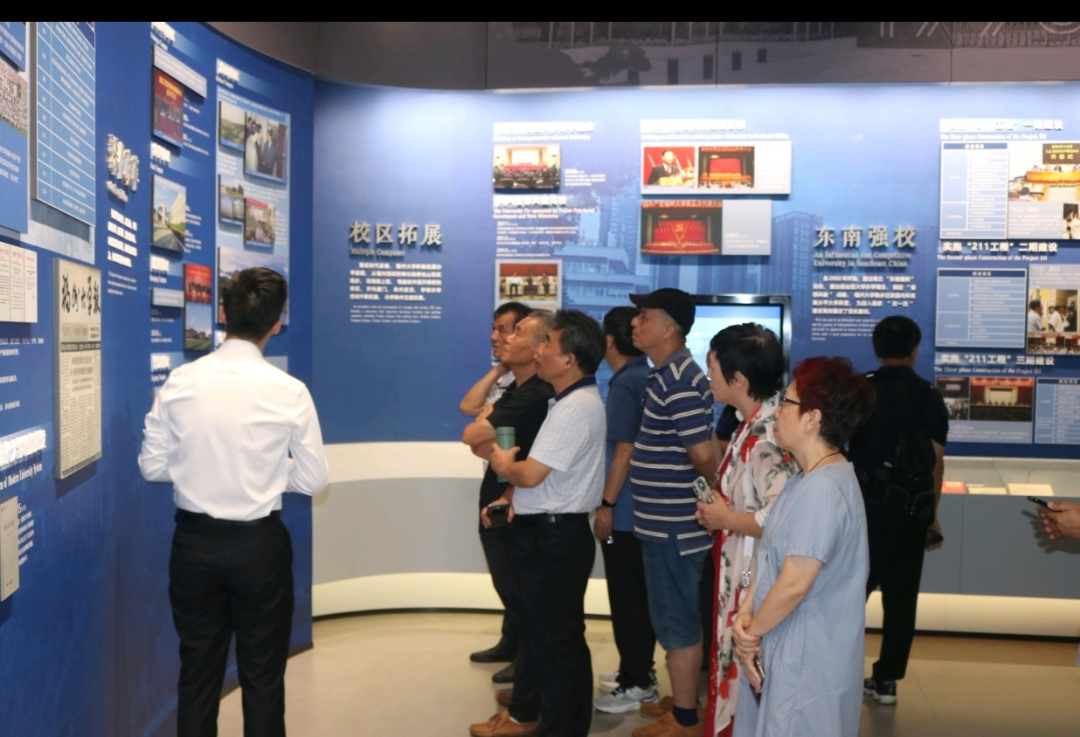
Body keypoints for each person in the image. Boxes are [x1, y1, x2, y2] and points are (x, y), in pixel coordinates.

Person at [138, 267, 329, 737]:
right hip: (259, 548)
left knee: (198, 672)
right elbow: (313, 479)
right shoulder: (289, 391)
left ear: (222, 313)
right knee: (263, 678)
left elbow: (152, 466)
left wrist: (200, 467)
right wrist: (267, 473)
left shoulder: (180, 381)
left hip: (194, 545)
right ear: (277, 323)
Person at [470, 309, 607, 737]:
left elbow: (529, 473)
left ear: (569, 359)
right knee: (553, 643)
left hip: (554, 537)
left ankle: (561, 727)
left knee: (556, 647)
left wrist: (501, 462)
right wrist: (510, 493)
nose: (540, 350)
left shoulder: (572, 408)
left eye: (548, 343)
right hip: (552, 531)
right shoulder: (567, 401)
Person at [732, 357, 875, 737]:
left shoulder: (824, 488)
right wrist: (747, 612)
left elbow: (795, 583)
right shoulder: (804, 478)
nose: (777, 411)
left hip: (807, 656)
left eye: (787, 402)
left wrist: (751, 634)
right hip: (783, 640)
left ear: (813, 419)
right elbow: (772, 558)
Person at [694, 324, 794, 737]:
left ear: (738, 378)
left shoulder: (768, 434)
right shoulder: (749, 423)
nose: (708, 376)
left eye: (713, 367)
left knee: (747, 677)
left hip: (753, 577)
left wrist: (725, 519)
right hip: (738, 569)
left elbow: (781, 518)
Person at [627, 288, 717, 737]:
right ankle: (684, 699)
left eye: (643, 316)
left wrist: (716, 490)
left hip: (673, 527)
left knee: (676, 620)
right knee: (675, 614)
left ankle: (684, 718)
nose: (634, 322)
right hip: (666, 523)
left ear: (668, 328)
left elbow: (701, 454)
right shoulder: (667, 373)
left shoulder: (677, 377)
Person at [849, 316, 948, 707]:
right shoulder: (929, 396)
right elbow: (936, 462)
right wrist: (931, 514)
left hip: (865, 513)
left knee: (850, 595)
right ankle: (887, 680)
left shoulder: (861, 390)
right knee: (902, 599)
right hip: (910, 512)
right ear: (915, 350)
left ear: (877, 348)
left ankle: (840, 670)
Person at [462, 310, 555, 684]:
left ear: (539, 348)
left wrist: (487, 436)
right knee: (511, 591)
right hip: (499, 498)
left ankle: (528, 681)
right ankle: (524, 676)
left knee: (523, 596)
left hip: (514, 504)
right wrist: (488, 440)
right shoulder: (516, 389)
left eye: (514, 332)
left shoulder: (536, 394)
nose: (503, 339)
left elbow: (473, 436)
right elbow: (478, 443)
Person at [592, 306, 660, 714]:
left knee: (627, 600)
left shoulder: (625, 383)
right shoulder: (644, 375)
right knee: (637, 597)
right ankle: (635, 671)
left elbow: (624, 449)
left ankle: (637, 681)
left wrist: (606, 505)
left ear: (608, 340)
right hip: (643, 508)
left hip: (626, 510)